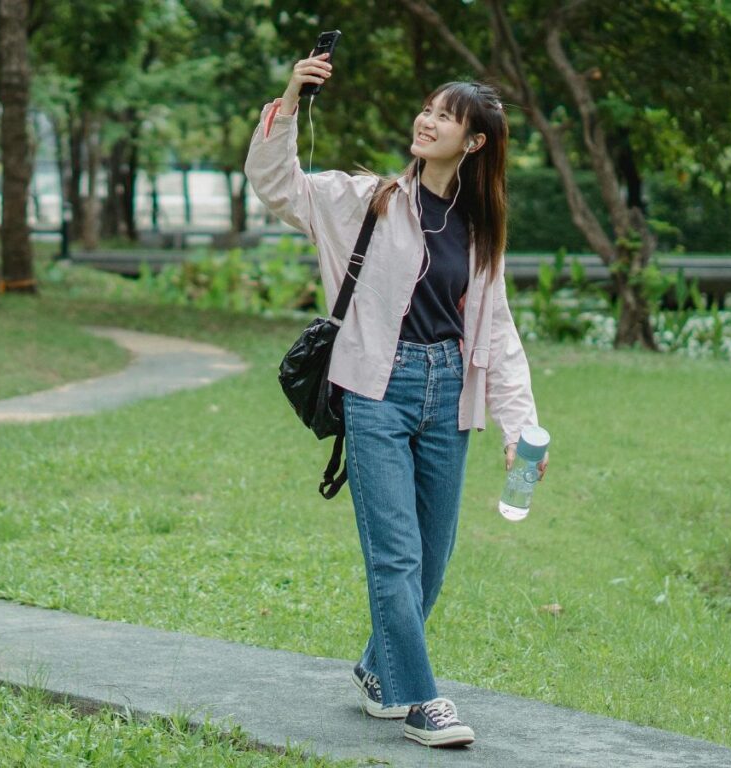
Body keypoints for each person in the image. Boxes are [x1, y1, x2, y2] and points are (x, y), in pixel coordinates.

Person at [244, 52, 549, 748]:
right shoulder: (367, 199)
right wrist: (291, 95)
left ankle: (379, 670)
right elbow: (274, 182)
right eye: (428, 108)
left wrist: (519, 425)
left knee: (432, 558)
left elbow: (497, 333)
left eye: (446, 115)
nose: (427, 119)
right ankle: (418, 699)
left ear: (474, 142)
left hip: (450, 396)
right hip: (376, 389)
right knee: (395, 557)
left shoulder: (480, 230)